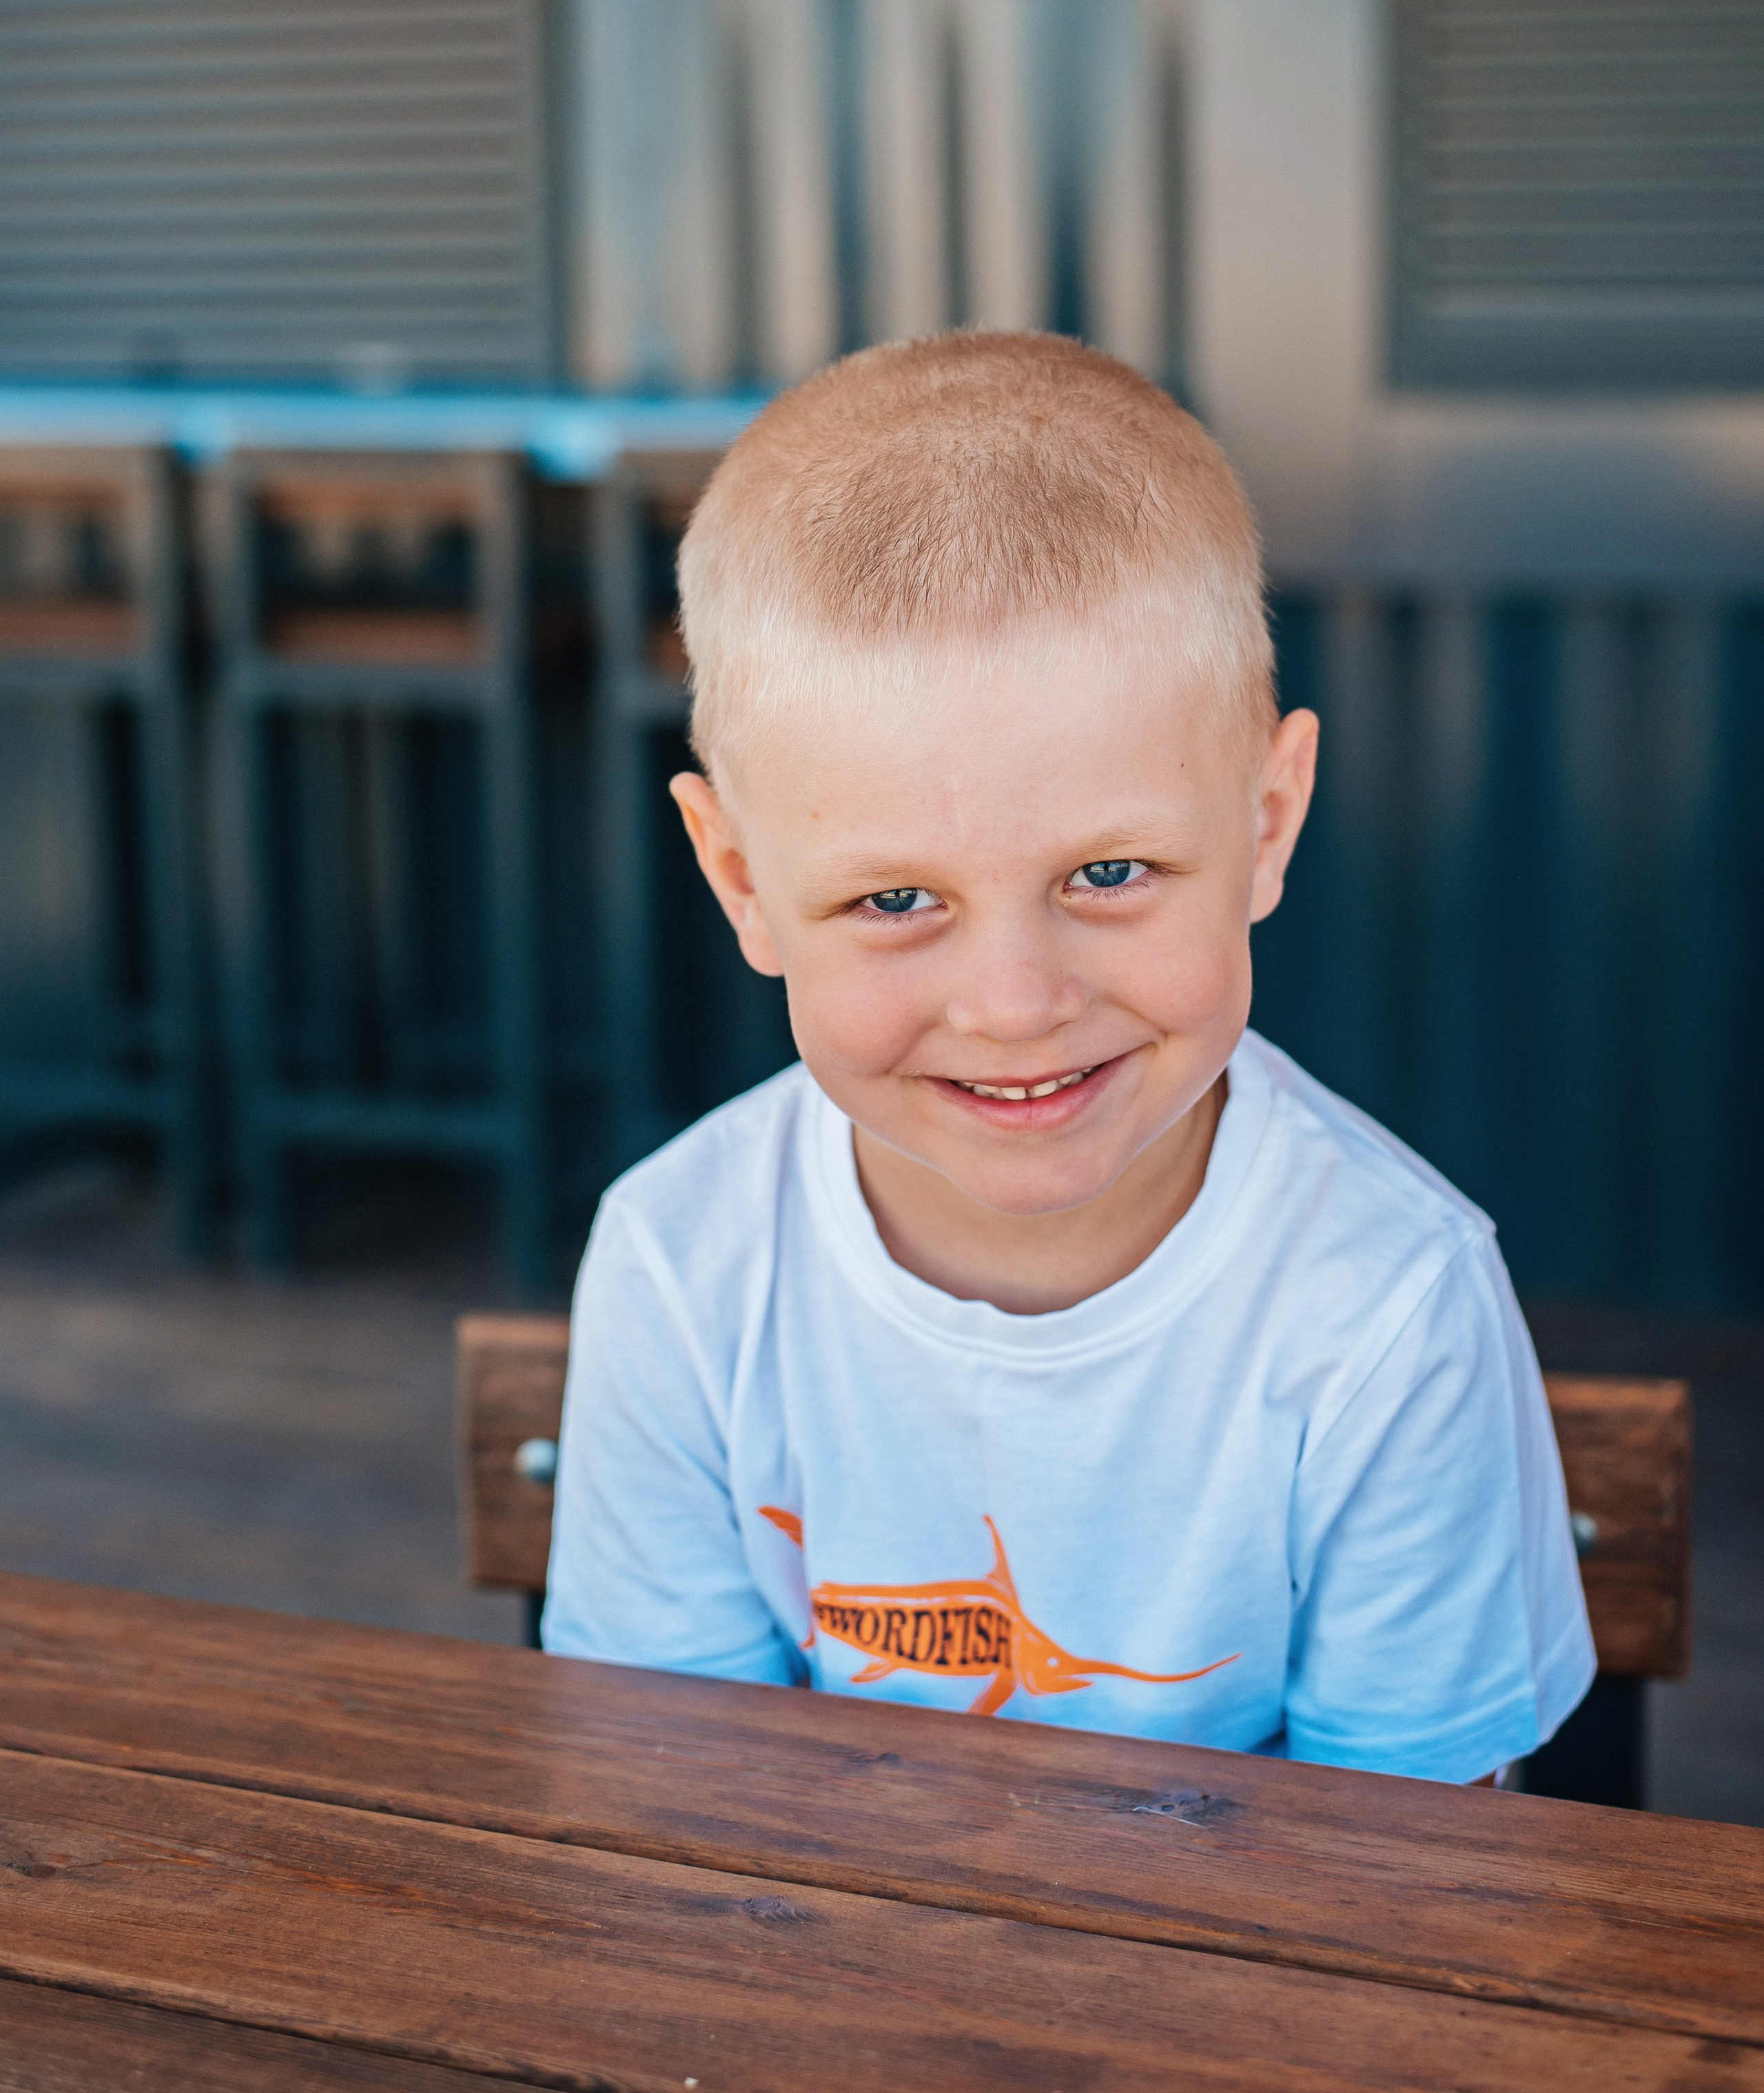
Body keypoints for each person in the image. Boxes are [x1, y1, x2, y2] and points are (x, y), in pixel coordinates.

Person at [544, 330, 1594, 1782]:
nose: (1014, 1001)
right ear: (738, 883)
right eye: (895, 900)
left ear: (1267, 821)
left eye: (1106, 871)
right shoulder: (683, 1265)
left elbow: (1405, 1895)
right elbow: (684, 1810)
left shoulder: (1387, 1309)